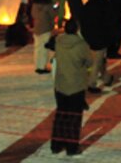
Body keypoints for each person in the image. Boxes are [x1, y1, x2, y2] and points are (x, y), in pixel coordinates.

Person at [49, 19, 91, 156]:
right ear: (77, 29)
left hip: (61, 83)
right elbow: (89, 61)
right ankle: (72, 147)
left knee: (61, 114)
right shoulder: (81, 45)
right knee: (74, 117)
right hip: (76, 85)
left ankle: (56, 145)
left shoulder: (59, 42)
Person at [31, 0, 56, 74]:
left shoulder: (35, 3)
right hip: (46, 27)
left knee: (37, 48)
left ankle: (38, 65)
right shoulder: (48, 4)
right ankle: (42, 66)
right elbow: (53, 15)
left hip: (37, 27)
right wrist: (56, 8)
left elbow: (32, 14)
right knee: (44, 49)